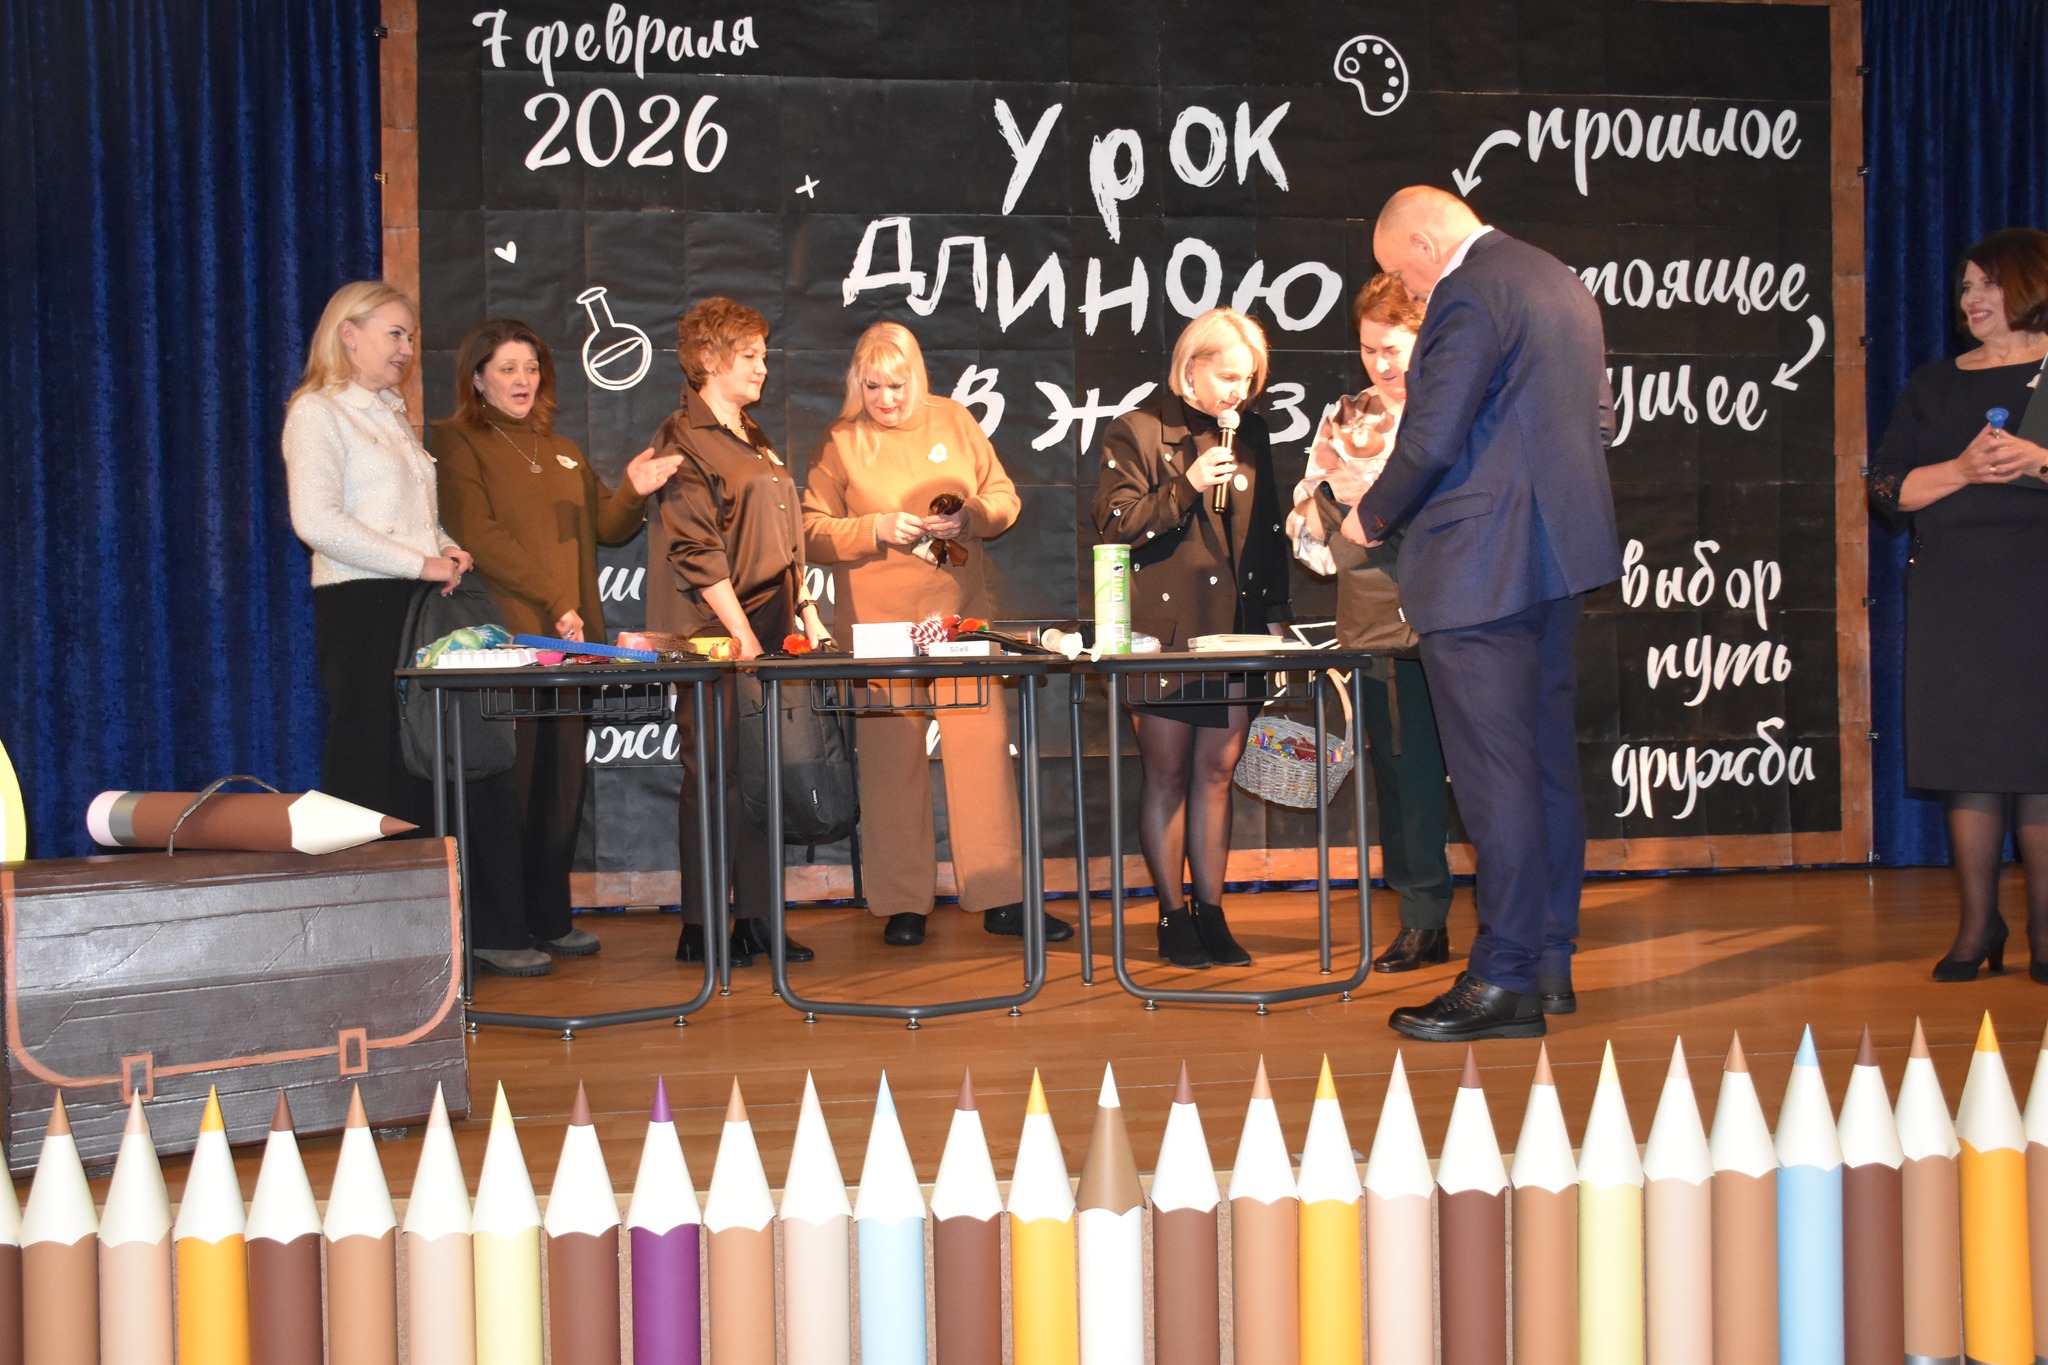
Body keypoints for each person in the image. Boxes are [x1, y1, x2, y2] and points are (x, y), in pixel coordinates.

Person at [1357, 186, 1620, 1042]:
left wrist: (1369, 515)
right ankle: (1547, 962)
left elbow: (1433, 435)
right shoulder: (1559, 279)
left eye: (1406, 273)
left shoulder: (1470, 288)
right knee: (1544, 765)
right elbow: (1600, 420)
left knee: (1496, 775)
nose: (1412, 290)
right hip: (1559, 556)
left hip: (1480, 566)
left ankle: (1502, 976)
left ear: (1426, 243)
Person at [803, 322, 1072, 949]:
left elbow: (1004, 498)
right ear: (857, 383)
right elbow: (809, 530)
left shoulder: (953, 420)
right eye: (873, 386)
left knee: (982, 759)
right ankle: (903, 903)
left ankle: (1002, 898)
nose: (886, 399)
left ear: (917, 378)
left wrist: (968, 517)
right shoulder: (840, 442)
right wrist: (872, 528)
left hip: (959, 623)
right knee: (890, 766)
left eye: (897, 385)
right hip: (877, 632)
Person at [431, 318, 682, 975]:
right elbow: (477, 533)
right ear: (477, 378)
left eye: (532, 367)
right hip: (505, 645)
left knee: (559, 789)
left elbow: (608, 525)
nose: (523, 379)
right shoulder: (456, 441)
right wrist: (553, 599)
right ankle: (496, 929)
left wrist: (634, 489)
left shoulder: (562, 448)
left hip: (568, 650)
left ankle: (548, 918)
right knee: (505, 792)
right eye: (507, 368)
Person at [1869, 227, 2048, 983]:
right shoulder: (1935, 384)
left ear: (2029, 284)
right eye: (1965, 286)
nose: (1972, 298)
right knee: (1969, 757)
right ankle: (1979, 925)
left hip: (2037, 592)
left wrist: (2040, 459)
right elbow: (1886, 490)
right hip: (1954, 593)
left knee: (2038, 761)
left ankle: (2046, 929)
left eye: (1988, 283)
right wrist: (1963, 469)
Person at [1092, 308, 1293, 969]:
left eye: (1249, 379)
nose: (1239, 390)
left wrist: (1275, 619)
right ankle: (1172, 915)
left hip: (1234, 632)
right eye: (1228, 376)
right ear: (1191, 367)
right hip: (1167, 634)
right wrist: (1187, 485)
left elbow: (1266, 535)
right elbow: (1117, 525)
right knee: (1169, 773)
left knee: (1216, 773)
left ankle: (1212, 911)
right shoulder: (1139, 429)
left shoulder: (1252, 434)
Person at [647, 297, 831, 968]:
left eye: (763, 354)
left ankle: (756, 918)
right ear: (708, 358)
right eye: (749, 355)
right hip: (715, 630)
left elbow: (786, 533)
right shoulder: (683, 436)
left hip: (772, 621)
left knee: (763, 775)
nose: (762, 366)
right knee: (717, 774)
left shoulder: (752, 434)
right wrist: (740, 636)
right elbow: (694, 548)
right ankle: (700, 925)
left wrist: (807, 610)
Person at [1285, 274, 1457, 974]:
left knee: (1489, 773)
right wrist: (1320, 513)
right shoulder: (1347, 418)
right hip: (1381, 622)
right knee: (1404, 773)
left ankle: (1519, 922)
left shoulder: (1461, 404)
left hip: (1466, 614)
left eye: (1394, 348)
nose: (1382, 365)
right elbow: (1314, 539)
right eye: (1369, 349)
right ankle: (1422, 920)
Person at [282, 281, 471, 828]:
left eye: (410, 338)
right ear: (349, 334)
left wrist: (445, 546)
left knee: (416, 750)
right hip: (362, 605)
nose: (407, 350)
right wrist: (420, 563)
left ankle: (422, 872)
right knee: (370, 750)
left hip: (412, 602)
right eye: (395, 335)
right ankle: (364, 875)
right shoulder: (318, 412)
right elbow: (316, 521)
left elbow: (411, 515)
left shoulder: (390, 415)